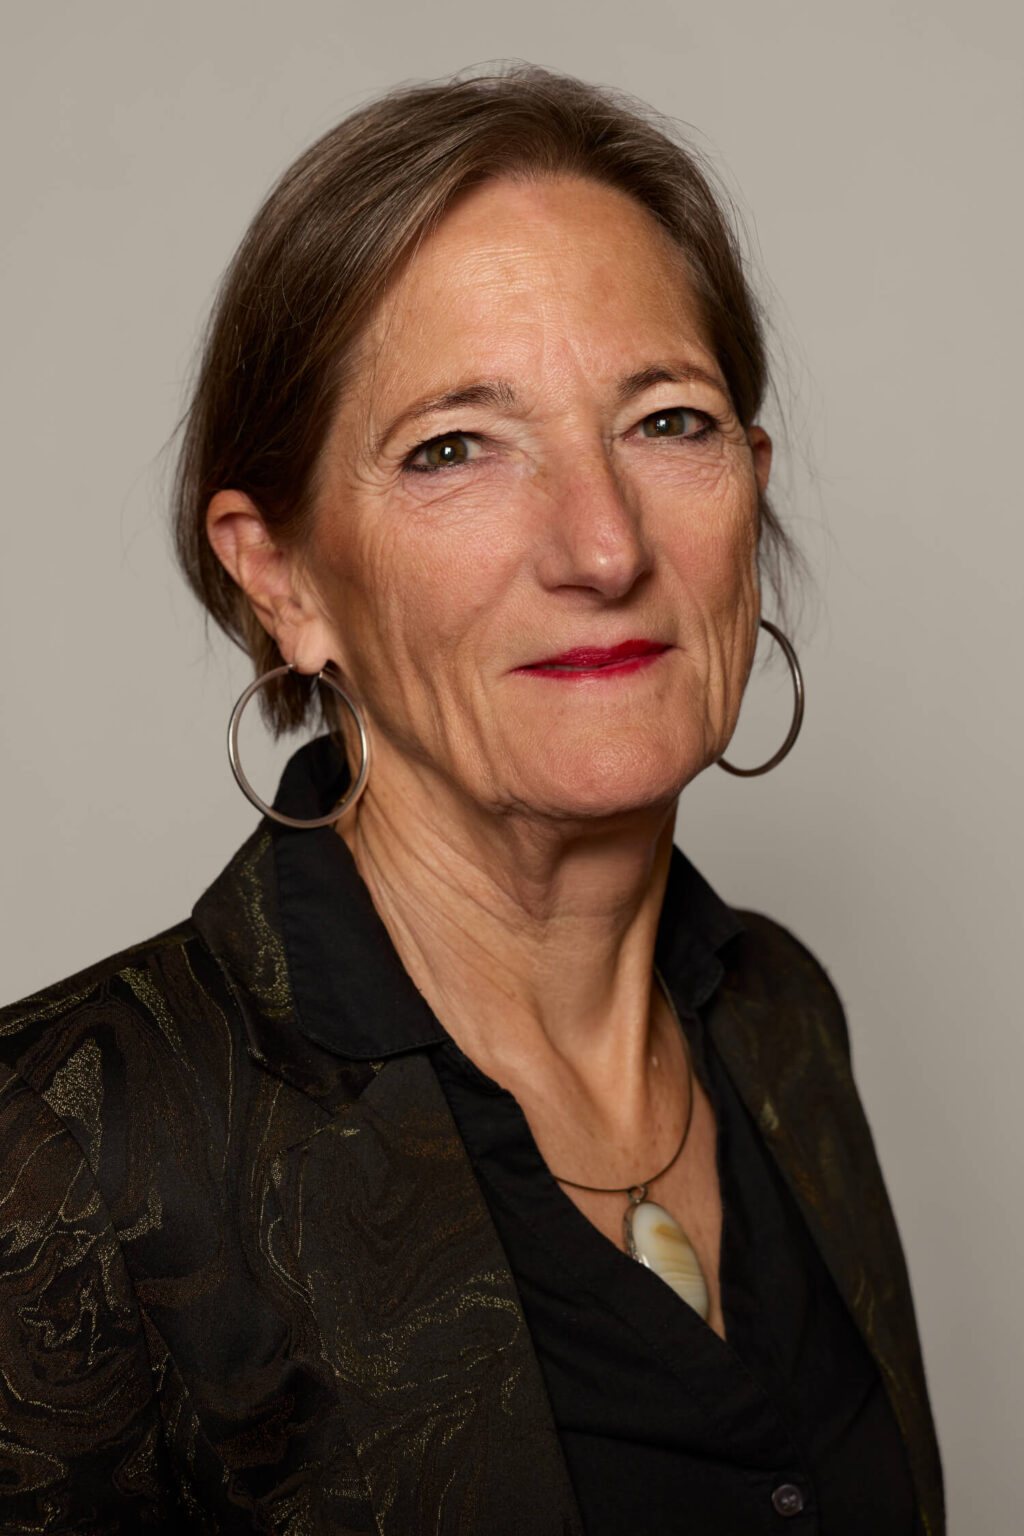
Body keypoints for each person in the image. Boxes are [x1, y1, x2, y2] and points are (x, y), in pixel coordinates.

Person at [0, 66, 943, 1535]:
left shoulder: (780, 1020)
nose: (603, 545)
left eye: (668, 422)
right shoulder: (63, 1153)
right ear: (282, 577)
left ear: (750, 493)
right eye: (454, 447)